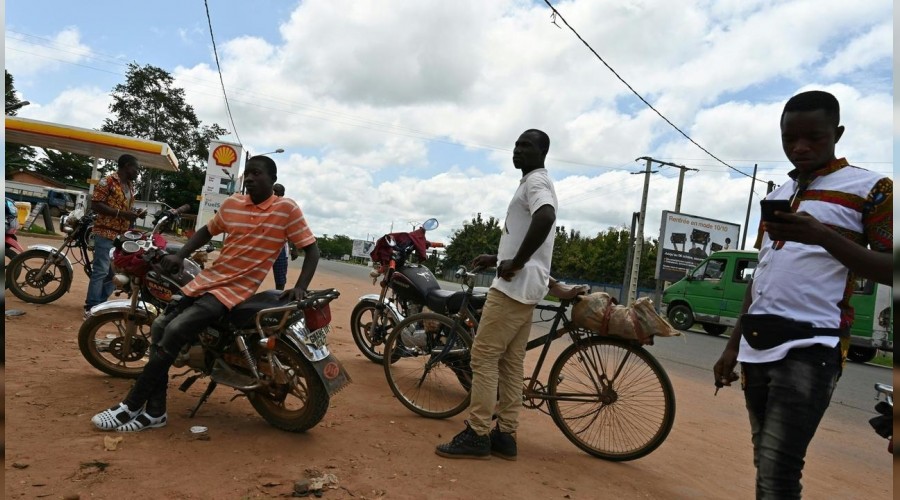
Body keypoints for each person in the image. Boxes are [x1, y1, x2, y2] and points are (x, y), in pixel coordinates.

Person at [713, 90, 892, 498]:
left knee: (779, 469)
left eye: (814, 137)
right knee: (767, 461)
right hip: (757, 343)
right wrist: (731, 346)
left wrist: (822, 235)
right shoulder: (777, 196)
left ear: (838, 133)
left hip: (813, 345)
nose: (800, 148)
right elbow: (763, 275)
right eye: (789, 139)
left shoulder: (872, 189)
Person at [90, 155, 320, 432]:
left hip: (234, 290)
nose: (248, 178)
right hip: (206, 281)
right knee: (161, 326)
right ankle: (155, 412)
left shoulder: (286, 209)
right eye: (247, 174)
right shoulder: (233, 203)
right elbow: (206, 232)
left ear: (272, 178)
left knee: (174, 330)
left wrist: (300, 287)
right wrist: (180, 256)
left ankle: (131, 404)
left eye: (256, 173)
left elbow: (311, 249)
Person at [435, 129, 557, 460]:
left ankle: (477, 434)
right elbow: (532, 232)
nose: (517, 150)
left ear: (542, 152)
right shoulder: (532, 183)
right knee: (511, 365)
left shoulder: (536, 183)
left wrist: (515, 263)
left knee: (484, 357)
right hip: (527, 289)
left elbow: (545, 217)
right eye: (516, 145)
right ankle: (506, 435)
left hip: (513, 289)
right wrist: (498, 258)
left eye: (526, 146)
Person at [83, 154, 147, 319]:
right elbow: (95, 204)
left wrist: (134, 214)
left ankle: (100, 303)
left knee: (115, 273)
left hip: (122, 237)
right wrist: (121, 214)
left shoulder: (130, 186)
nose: (137, 172)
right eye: (136, 168)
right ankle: (91, 307)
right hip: (105, 233)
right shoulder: (108, 181)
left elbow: (124, 209)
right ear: (126, 166)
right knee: (101, 271)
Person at [271, 183, 296, 290]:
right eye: (274, 191)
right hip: (264, 245)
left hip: (281, 247)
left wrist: (294, 248)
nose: (275, 194)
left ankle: (278, 295)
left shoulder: (286, 207)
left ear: (282, 194)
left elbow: (293, 229)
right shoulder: (267, 205)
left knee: (280, 278)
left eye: (277, 191)